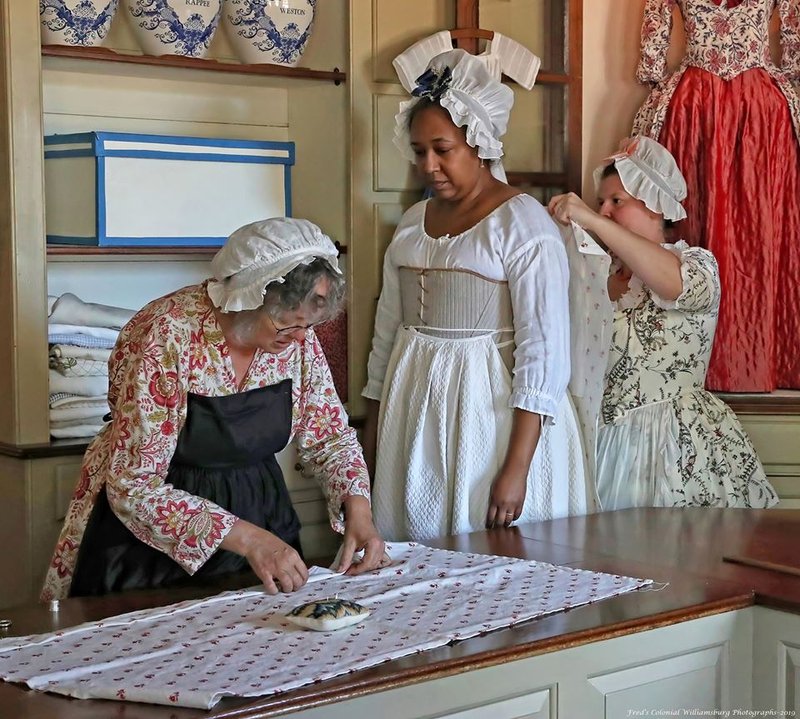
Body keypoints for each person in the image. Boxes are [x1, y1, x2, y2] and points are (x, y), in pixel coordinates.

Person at [41, 218, 385, 601]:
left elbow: (330, 438)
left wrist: (359, 509)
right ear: (248, 299)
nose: (301, 339)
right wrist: (249, 540)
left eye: (308, 326)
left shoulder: (297, 341)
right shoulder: (166, 334)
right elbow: (134, 486)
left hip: (262, 516)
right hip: (154, 541)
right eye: (286, 326)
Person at [362, 49, 592, 543]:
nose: (429, 164)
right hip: (417, 409)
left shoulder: (522, 224)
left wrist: (516, 469)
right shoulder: (410, 226)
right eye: (420, 150)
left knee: (493, 559)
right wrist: (376, 432)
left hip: (492, 420)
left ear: (479, 142)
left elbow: (543, 354)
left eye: (442, 149)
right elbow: (385, 337)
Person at [548, 136, 779, 510]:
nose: (604, 210)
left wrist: (590, 218)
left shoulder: (695, 264)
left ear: (656, 207)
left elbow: (673, 284)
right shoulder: (594, 273)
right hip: (600, 442)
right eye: (600, 202)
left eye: (616, 201)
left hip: (675, 443)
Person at [632, 0, 800, 392]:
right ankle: (695, 361)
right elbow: (655, 33)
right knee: (694, 220)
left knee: (764, 226)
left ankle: (761, 358)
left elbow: (793, 41)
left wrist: (654, 66)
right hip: (701, 106)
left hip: (752, 110)